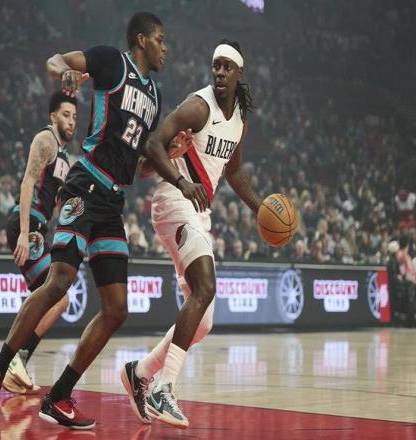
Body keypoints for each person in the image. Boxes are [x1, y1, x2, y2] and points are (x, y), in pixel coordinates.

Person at [0, 11, 206, 429]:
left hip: (112, 200)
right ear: (141, 40)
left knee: (117, 309)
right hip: (85, 185)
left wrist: (169, 156)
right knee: (58, 282)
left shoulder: (154, 96)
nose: (165, 48)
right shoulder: (111, 61)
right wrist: (63, 71)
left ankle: (59, 396)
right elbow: (56, 60)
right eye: (160, 39)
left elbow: (139, 167)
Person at [121, 40, 261, 428]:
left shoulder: (239, 118)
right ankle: (164, 387)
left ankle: (139, 372)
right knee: (206, 286)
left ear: (239, 73)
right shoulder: (199, 106)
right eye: (215, 65)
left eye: (226, 67)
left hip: (199, 211)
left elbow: (235, 172)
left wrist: (261, 208)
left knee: (203, 322)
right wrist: (182, 181)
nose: (219, 72)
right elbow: (152, 144)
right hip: (174, 201)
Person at [2, 91, 77, 395]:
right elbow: (27, 183)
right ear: (52, 117)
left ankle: (14, 362)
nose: (71, 121)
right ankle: (15, 358)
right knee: (58, 297)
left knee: (47, 297)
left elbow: (57, 205)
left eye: (74, 116)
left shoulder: (65, 159)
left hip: (39, 227)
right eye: (65, 115)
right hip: (27, 223)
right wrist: (24, 232)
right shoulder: (45, 140)